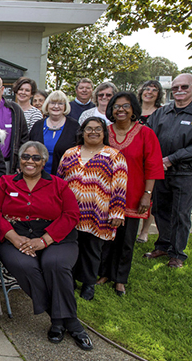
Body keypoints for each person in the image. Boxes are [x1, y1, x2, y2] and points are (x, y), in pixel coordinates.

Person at [0, 141, 93, 350]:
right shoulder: (5, 182)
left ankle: (62, 322)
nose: (30, 161)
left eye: (36, 157)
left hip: (55, 237)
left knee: (55, 264)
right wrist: (13, 237)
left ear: (44, 161)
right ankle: (66, 321)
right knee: (26, 267)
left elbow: (72, 215)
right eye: (25, 156)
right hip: (16, 237)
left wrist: (44, 240)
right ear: (19, 160)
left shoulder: (59, 184)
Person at [98, 92, 164, 295]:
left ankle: (120, 279)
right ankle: (104, 273)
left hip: (134, 194)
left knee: (126, 239)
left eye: (125, 106)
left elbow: (152, 165)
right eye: (116, 106)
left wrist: (147, 194)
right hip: (105, 194)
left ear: (134, 109)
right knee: (106, 237)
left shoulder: (145, 133)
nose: (120, 110)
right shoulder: (104, 132)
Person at [58, 117, 127, 300]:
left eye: (98, 129)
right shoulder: (70, 154)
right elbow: (59, 182)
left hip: (98, 213)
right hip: (70, 213)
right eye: (89, 129)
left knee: (92, 250)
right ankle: (69, 280)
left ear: (104, 132)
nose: (93, 132)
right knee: (70, 248)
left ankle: (89, 284)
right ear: (82, 132)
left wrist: (117, 212)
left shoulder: (114, 156)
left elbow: (120, 186)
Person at [144, 73, 192, 268]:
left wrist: (172, 159)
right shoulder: (162, 112)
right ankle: (163, 245)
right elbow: (148, 134)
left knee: (180, 213)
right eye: (176, 88)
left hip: (184, 172)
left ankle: (177, 254)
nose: (179, 91)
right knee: (160, 209)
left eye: (184, 87)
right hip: (160, 171)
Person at [136, 80, 164, 243]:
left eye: (154, 90)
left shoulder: (161, 112)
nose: (149, 92)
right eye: (146, 88)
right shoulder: (134, 110)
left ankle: (144, 231)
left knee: (150, 195)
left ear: (158, 94)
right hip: (134, 157)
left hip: (152, 156)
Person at [29, 91, 79, 174]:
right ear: (47, 105)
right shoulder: (38, 125)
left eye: (60, 103)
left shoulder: (74, 126)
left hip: (65, 175)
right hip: (37, 175)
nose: (56, 106)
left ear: (65, 106)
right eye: (52, 103)